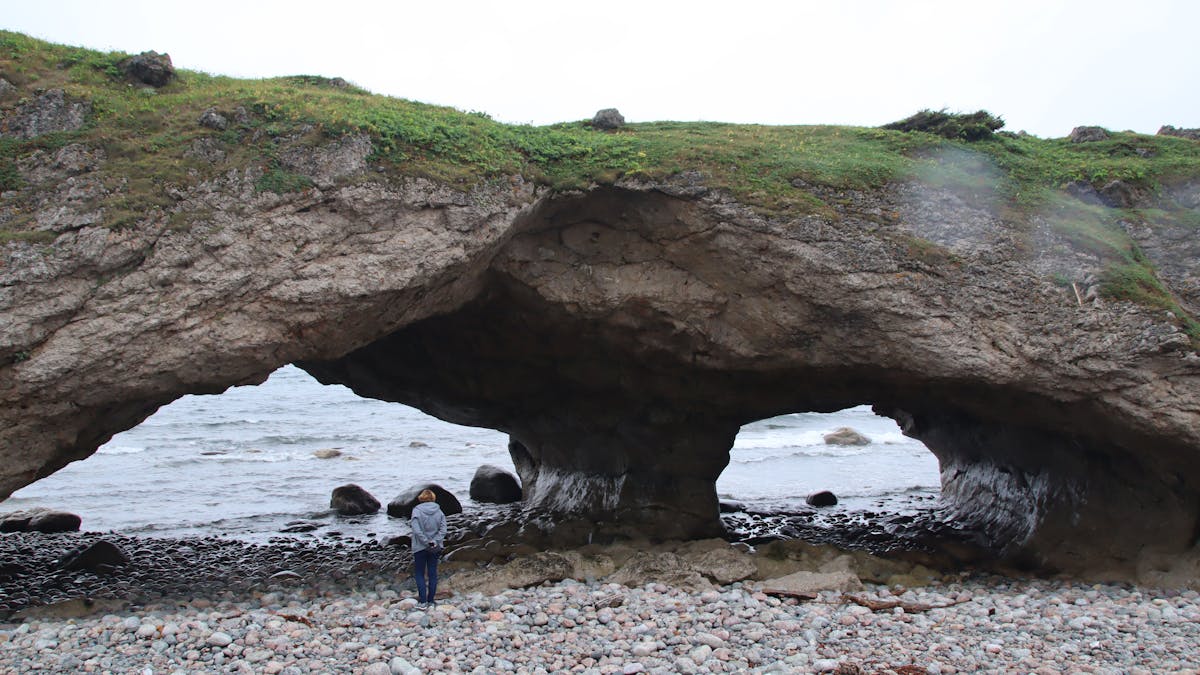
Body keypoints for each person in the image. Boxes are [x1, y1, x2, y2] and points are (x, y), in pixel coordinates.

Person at [409, 489, 446, 606]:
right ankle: (431, 600)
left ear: (421, 498)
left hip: (420, 547)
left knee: (419, 573)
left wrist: (426, 541)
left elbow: (416, 530)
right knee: (432, 573)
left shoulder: (416, 511)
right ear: (433, 498)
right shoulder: (439, 512)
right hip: (435, 547)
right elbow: (443, 529)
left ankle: (423, 601)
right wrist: (434, 541)